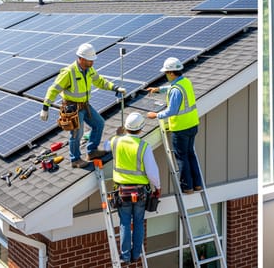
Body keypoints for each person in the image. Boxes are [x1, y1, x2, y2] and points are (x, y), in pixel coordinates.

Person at [40, 43, 125, 168]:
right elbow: (53, 89)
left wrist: (115, 88)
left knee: (99, 123)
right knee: (76, 134)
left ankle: (92, 152)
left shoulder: (89, 70)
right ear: (81, 58)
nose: (92, 62)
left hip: (85, 105)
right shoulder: (69, 72)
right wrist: (45, 107)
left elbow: (100, 81)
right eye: (90, 60)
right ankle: (75, 160)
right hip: (72, 108)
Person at [104, 112, 160, 264]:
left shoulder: (116, 141)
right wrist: (157, 188)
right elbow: (152, 173)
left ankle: (126, 256)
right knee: (139, 222)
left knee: (125, 223)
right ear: (141, 129)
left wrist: (117, 135)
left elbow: (105, 146)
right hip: (140, 192)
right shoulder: (144, 147)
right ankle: (136, 255)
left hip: (122, 192)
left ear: (126, 128)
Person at [146, 57, 202, 194]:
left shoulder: (176, 90)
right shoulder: (185, 82)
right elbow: (173, 87)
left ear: (171, 73)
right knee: (190, 154)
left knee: (182, 157)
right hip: (192, 125)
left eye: (166, 72)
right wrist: (158, 89)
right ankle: (197, 184)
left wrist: (156, 115)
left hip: (181, 128)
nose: (165, 74)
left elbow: (172, 110)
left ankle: (187, 187)